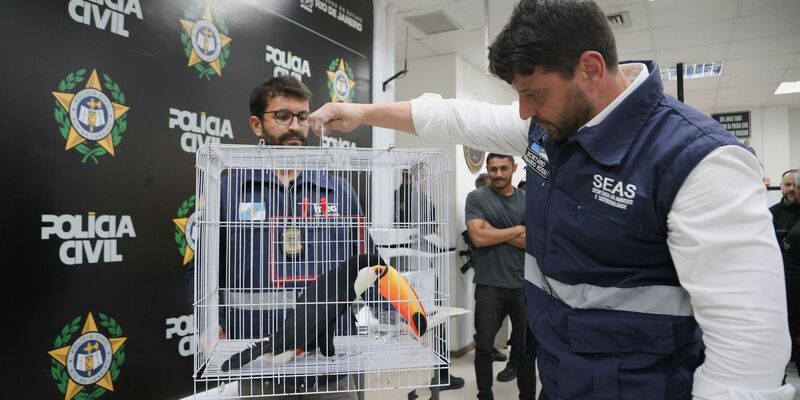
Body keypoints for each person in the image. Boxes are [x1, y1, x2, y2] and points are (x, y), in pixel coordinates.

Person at [308, 1, 793, 398]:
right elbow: (455, 117)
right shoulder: (549, 128)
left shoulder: (699, 162)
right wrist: (362, 111)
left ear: (590, 69)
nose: (523, 111)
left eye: (534, 93)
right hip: (559, 376)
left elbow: (748, 344)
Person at [187, 76, 362, 399]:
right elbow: (202, 270)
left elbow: (366, 265)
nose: (295, 126)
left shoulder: (339, 191)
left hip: (329, 365)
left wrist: (398, 317)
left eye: (302, 117)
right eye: (282, 116)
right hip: (259, 366)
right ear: (257, 125)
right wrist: (210, 323)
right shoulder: (228, 192)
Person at [465, 153, 534, 400]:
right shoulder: (476, 197)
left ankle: (527, 395)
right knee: (484, 347)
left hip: (523, 285)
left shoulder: (527, 200)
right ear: (487, 169)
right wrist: (517, 229)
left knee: (526, 349)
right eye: (493, 169)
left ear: (514, 168)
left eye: (504, 168)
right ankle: (485, 395)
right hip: (488, 285)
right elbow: (478, 238)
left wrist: (492, 230)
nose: (498, 174)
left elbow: (533, 242)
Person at [770, 169, 800, 373]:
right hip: (778, 291)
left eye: (794, 185)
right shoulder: (770, 215)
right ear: (780, 186)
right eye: (787, 185)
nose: (790, 189)